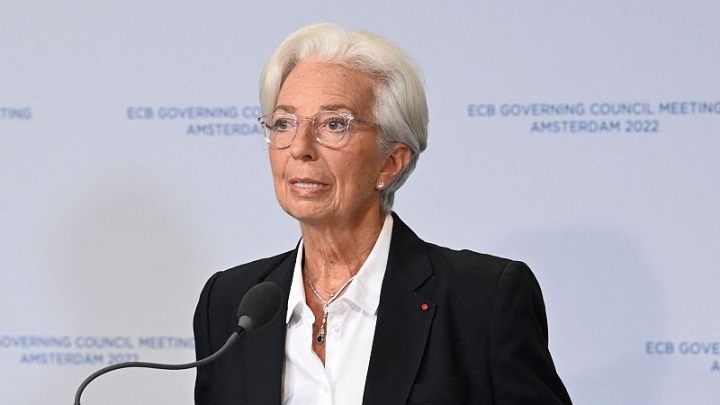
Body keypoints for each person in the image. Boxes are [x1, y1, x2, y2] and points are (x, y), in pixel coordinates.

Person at [193, 23, 572, 405]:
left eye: (334, 124)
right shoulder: (229, 302)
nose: (300, 147)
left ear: (391, 161)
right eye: (283, 123)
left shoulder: (481, 298)